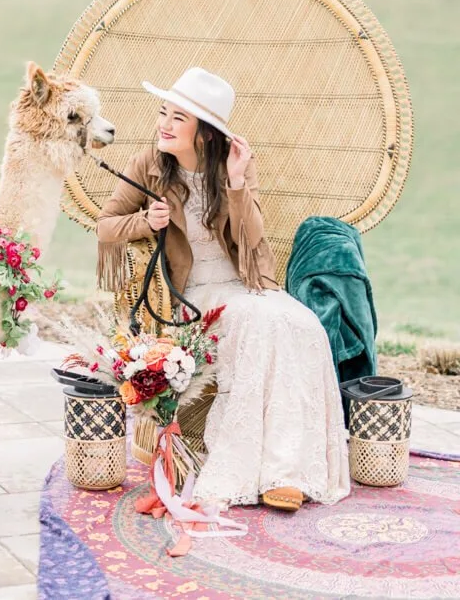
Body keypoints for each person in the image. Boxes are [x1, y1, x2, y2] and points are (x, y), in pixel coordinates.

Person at [97, 67, 350, 511]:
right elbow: (105, 226)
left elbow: (252, 238)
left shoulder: (234, 166)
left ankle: (287, 472)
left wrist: (235, 182)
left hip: (245, 286)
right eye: (163, 112)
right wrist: (145, 221)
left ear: (206, 134)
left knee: (303, 324)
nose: (164, 124)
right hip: (190, 296)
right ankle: (260, 469)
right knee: (259, 321)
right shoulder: (148, 165)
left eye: (178, 118)